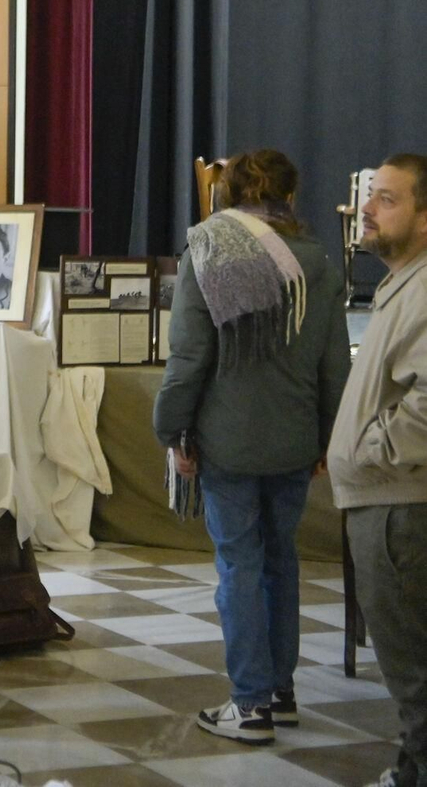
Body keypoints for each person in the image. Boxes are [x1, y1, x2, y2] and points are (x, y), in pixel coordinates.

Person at [152, 149, 350, 745]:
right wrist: (327, 435)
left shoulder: (208, 250)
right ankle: (281, 693)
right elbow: (334, 364)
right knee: (279, 560)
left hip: (228, 439)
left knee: (238, 563)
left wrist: (170, 430)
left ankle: (249, 704)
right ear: (291, 196)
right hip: (294, 437)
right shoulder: (317, 260)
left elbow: (189, 360)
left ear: (227, 194)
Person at [327, 153, 427, 787]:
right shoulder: (404, 281)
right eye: (371, 196)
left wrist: (369, 451)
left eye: (387, 199)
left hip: (401, 510)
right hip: (388, 502)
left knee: (415, 675)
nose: (366, 208)